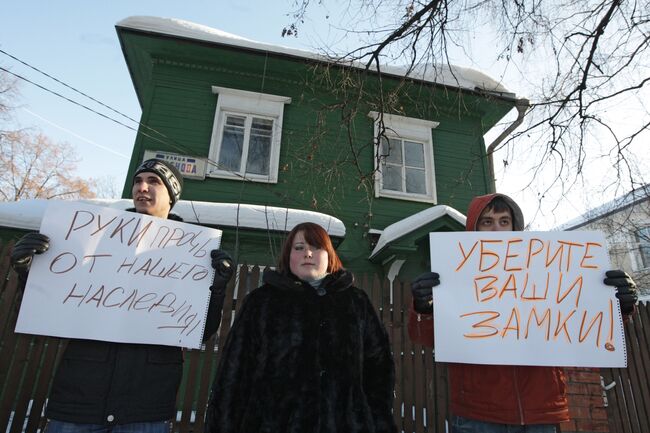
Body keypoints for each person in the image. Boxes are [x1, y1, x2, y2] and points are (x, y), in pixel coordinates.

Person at [10, 158, 235, 433]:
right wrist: (27, 273)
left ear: (172, 195)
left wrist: (217, 288)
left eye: (154, 182)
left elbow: (201, 332)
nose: (142, 187)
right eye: (138, 181)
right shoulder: (90, 237)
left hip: (145, 407)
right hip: (78, 402)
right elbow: (46, 311)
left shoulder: (190, 255)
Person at [408, 193, 639, 433]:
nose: (497, 229)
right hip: (478, 413)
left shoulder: (547, 268)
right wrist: (423, 307)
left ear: (515, 227)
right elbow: (425, 338)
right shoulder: (454, 275)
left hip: (540, 410)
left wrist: (619, 304)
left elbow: (585, 327)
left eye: (504, 221)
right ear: (473, 229)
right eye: (487, 222)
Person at [204, 222, 397, 433]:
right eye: (299, 247)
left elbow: (379, 370)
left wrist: (377, 422)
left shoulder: (356, 302)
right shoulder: (261, 302)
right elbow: (234, 372)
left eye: (316, 247)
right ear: (288, 256)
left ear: (330, 256)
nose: (308, 253)